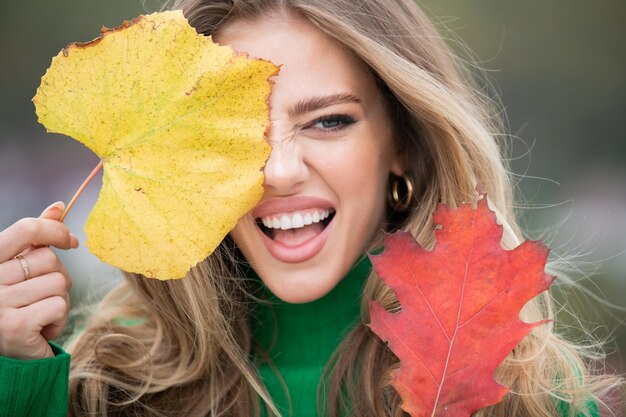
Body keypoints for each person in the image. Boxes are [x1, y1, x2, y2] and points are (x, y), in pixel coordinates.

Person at [0, 0, 622, 416]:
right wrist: (16, 377)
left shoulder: (526, 397)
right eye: (239, 131)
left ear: (402, 142)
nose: (279, 170)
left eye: (328, 121)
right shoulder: (97, 385)